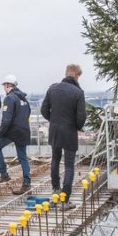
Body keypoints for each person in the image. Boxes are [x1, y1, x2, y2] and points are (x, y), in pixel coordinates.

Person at [41, 64, 87, 210]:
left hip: (55, 130)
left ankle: (55, 190)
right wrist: (76, 126)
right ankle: (65, 200)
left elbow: (43, 110)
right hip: (69, 132)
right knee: (69, 165)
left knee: (55, 159)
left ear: (66, 73)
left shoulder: (52, 88)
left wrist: (53, 121)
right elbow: (81, 117)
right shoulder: (78, 92)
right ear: (77, 75)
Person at [0, 75, 32, 195]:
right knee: (23, 157)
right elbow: (28, 112)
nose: (4, 88)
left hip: (13, 131)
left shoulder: (10, 98)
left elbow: (6, 119)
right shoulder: (23, 98)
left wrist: (0, 133)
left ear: (7, 85)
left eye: (4, 86)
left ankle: (4, 174)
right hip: (24, 130)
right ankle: (26, 183)